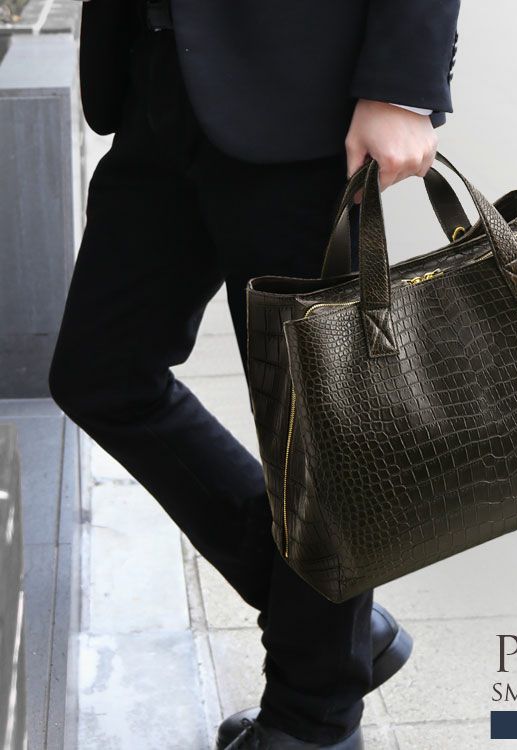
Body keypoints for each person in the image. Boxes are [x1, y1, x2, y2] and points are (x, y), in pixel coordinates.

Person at [49, 1, 460, 748]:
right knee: (101, 373)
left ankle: (314, 719)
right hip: (154, 77)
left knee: (312, 424)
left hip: (303, 103)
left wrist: (402, 87)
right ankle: (334, 635)